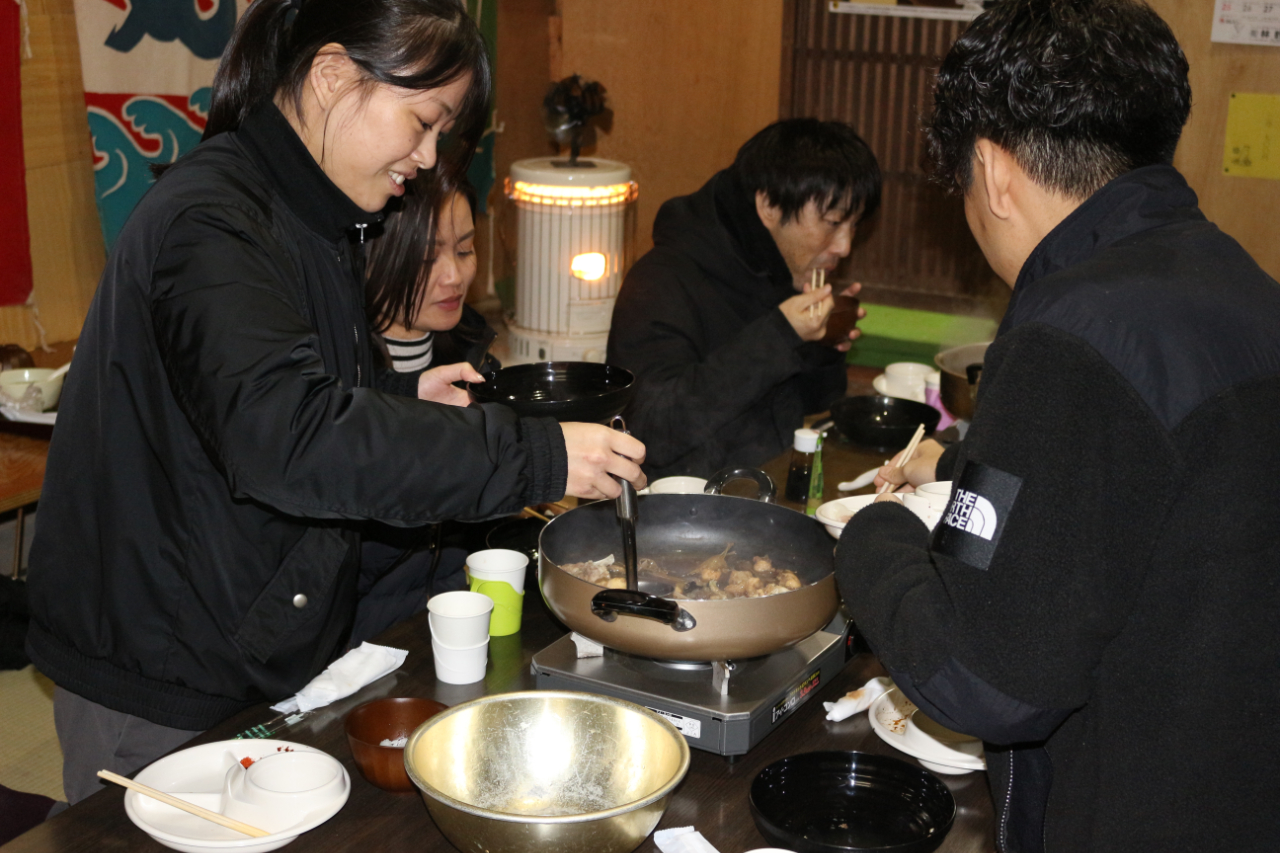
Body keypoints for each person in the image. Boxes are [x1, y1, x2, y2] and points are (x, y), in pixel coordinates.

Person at [24, 0, 645, 805]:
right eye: (422, 122)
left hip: (247, 641)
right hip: (163, 667)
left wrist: (395, 392)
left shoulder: (313, 218)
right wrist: (540, 455)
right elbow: (285, 438)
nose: (425, 157)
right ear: (331, 75)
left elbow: (257, 393)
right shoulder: (212, 220)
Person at [834, 2, 1280, 852]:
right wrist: (968, 461)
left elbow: (985, 678)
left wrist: (874, 536)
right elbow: (1158, 487)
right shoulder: (1244, 289)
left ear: (995, 171)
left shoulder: (1068, 335)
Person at [606, 119, 881, 478]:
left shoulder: (780, 270)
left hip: (762, 493)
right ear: (768, 205)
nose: (844, 247)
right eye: (832, 222)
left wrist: (823, 347)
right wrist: (782, 334)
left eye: (854, 225)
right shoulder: (661, 282)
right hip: (674, 514)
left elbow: (808, 407)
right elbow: (651, 432)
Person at [353, 173, 495, 642]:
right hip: (360, 640)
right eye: (426, 256)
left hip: (454, 616)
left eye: (465, 249)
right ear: (371, 255)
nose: (454, 276)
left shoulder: (475, 354)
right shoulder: (335, 380)